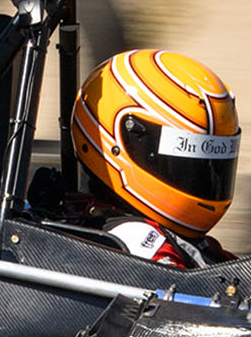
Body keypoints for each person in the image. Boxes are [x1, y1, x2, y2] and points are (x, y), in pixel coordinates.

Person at [68, 49, 239, 268]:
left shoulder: (196, 244)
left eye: (214, 166)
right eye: (185, 165)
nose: (205, 180)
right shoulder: (136, 242)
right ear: (123, 144)